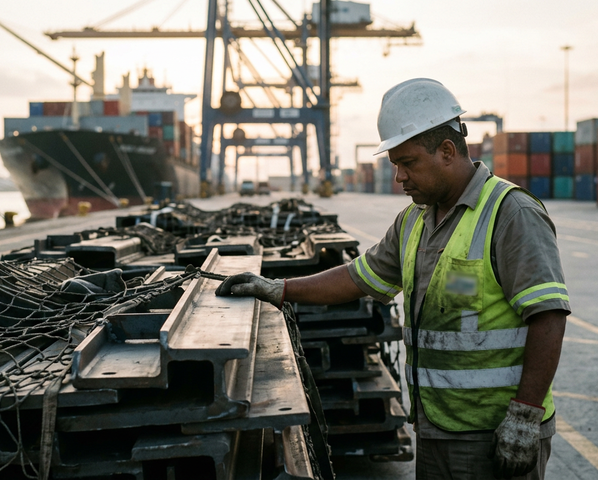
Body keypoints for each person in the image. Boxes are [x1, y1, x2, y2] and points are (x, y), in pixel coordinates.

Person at [216, 78, 570, 480]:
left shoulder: (511, 214)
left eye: (408, 163)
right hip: (436, 426)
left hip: (496, 434)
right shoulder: (415, 220)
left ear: (447, 151)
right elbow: (357, 277)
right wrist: (280, 290)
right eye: (394, 165)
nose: (399, 177)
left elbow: (548, 316)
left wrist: (525, 413)